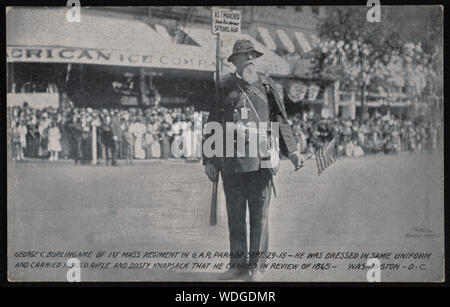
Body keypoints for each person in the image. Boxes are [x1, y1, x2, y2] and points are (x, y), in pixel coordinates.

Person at [203, 40, 303, 281]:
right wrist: (208, 159)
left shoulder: (268, 86)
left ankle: (256, 267)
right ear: (234, 60)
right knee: (235, 215)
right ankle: (237, 265)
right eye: (243, 55)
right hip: (231, 163)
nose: (248, 58)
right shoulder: (224, 86)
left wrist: (293, 151)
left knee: (259, 215)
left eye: (251, 55)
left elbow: (281, 119)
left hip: (260, 161)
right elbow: (212, 123)